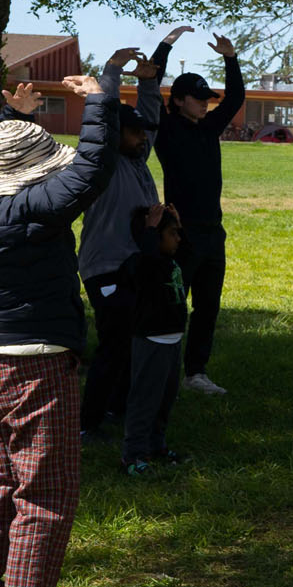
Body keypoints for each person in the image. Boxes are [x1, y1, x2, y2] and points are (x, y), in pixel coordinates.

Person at [0, 49, 141, 587]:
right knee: (45, 489)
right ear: (34, 177)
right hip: (36, 365)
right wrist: (101, 101)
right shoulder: (34, 208)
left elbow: (11, 163)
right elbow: (89, 168)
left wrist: (17, 118)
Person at [78, 26, 189, 438]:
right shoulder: (102, 162)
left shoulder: (138, 158)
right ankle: (89, 422)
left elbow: (152, 119)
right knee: (114, 343)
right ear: (115, 135)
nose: (142, 137)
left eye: (143, 133)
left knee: (131, 341)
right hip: (105, 267)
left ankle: (118, 409)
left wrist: (146, 80)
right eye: (133, 131)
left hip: (134, 264)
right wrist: (112, 70)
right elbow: (104, 117)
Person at [154, 33, 243, 396]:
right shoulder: (165, 128)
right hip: (180, 231)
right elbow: (149, 85)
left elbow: (235, 98)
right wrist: (165, 47)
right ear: (177, 100)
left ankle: (196, 373)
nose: (206, 105)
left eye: (208, 100)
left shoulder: (208, 129)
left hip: (212, 231)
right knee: (175, 305)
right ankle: (164, 371)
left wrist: (231, 58)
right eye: (199, 99)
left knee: (208, 307)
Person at [122, 203, 190, 475]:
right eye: (172, 233)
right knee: (145, 400)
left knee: (165, 398)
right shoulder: (143, 264)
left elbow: (187, 249)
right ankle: (133, 455)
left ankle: (155, 445)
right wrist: (150, 229)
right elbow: (148, 254)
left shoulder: (171, 260)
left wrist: (178, 223)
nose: (178, 239)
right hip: (152, 341)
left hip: (172, 340)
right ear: (153, 237)